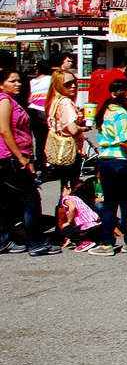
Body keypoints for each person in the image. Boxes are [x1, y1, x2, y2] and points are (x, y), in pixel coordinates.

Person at [0, 69, 59, 256]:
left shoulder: (11, 101)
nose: (17, 84)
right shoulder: (4, 101)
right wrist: (20, 156)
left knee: (5, 201)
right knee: (31, 199)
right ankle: (36, 242)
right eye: (12, 81)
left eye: (19, 81)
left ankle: (4, 240)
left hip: (10, 157)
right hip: (10, 158)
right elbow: (5, 130)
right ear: (2, 84)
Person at [89, 78, 127, 254]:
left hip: (105, 160)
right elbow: (123, 141)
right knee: (126, 204)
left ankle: (106, 243)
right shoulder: (121, 113)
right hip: (123, 161)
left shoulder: (105, 111)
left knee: (109, 204)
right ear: (114, 94)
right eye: (124, 90)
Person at [26, 59, 51, 173]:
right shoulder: (51, 79)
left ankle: (42, 166)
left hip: (32, 110)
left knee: (38, 140)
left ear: (37, 71)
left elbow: (29, 98)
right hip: (45, 111)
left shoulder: (31, 82)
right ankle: (46, 164)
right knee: (47, 140)